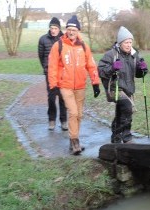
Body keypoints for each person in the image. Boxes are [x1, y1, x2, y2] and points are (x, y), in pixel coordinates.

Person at [48, 15, 101, 155]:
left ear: (78, 31)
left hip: (80, 86)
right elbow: (52, 66)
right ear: (66, 30)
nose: (71, 32)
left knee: (79, 115)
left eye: (74, 30)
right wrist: (53, 85)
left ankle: (74, 140)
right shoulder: (58, 45)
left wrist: (95, 83)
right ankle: (74, 141)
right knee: (73, 112)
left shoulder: (83, 46)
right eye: (69, 29)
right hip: (65, 86)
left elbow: (91, 65)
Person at [98, 26, 148, 144]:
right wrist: (112, 68)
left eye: (130, 42)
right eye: (126, 42)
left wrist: (143, 70)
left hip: (128, 88)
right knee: (127, 108)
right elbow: (101, 71)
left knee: (121, 112)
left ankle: (116, 136)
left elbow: (138, 74)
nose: (129, 44)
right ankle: (126, 137)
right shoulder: (111, 55)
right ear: (120, 43)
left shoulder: (134, 55)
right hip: (114, 88)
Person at [38, 17, 68, 131]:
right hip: (49, 73)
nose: (53, 30)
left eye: (55, 28)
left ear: (59, 29)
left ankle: (64, 121)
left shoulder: (64, 39)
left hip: (63, 73)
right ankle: (51, 120)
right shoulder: (43, 39)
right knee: (51, 98)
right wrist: (47, 68)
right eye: (51, 28)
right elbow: (41, 56)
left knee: (62, 97)